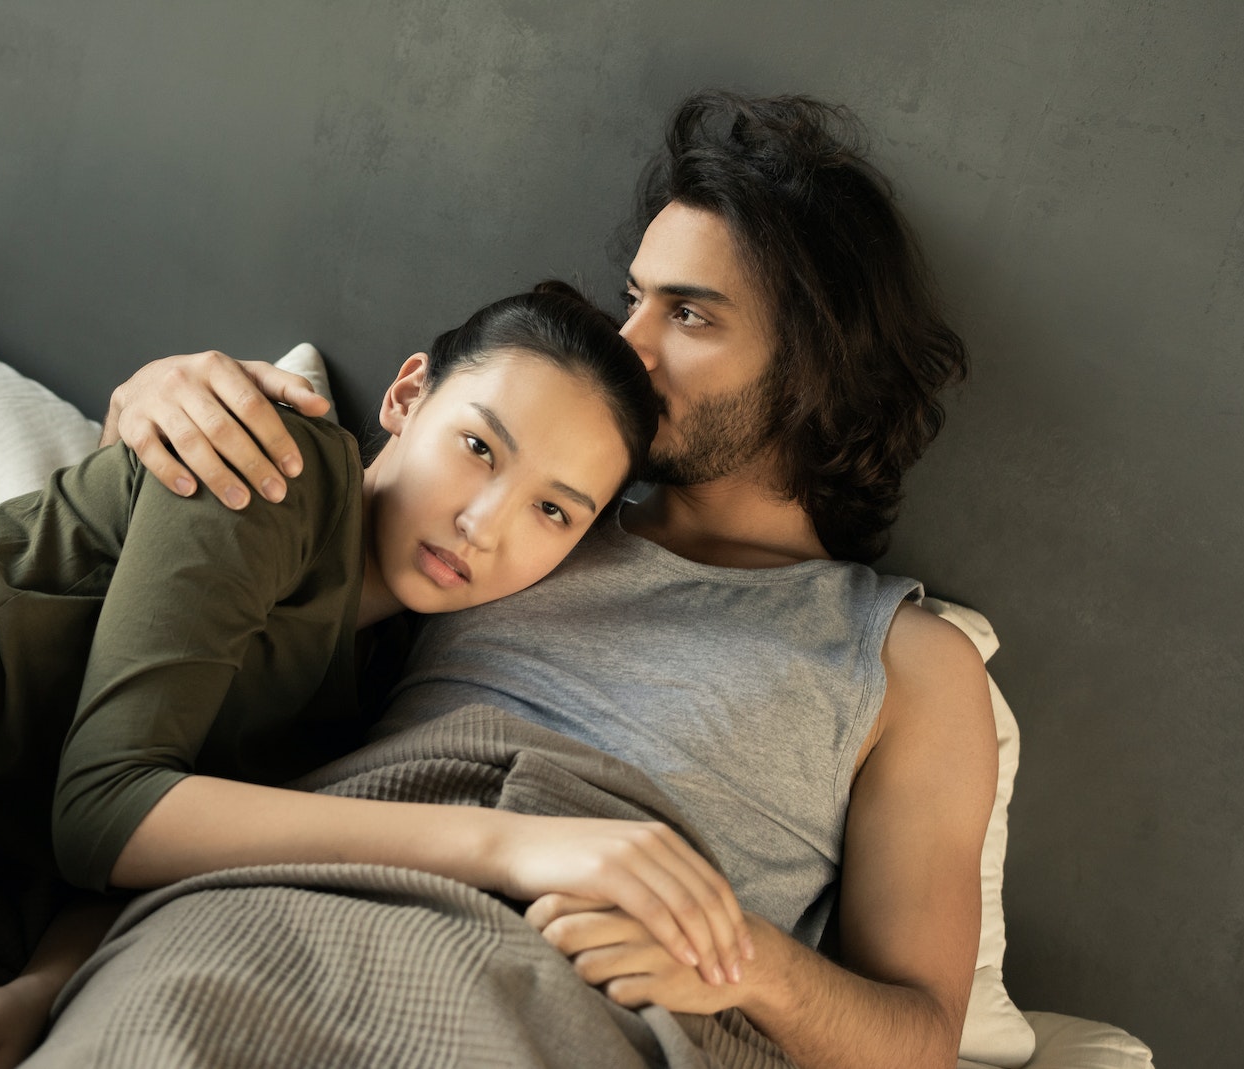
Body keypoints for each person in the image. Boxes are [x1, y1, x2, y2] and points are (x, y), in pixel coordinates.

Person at [98, 91, 998, 1069]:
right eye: (633, 300)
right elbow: (221, 609)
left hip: (581, 996)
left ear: (816, 364)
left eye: (688, 313)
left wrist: (750, 967)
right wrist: (161, 399)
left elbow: (919, 1045)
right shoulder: (512, 516)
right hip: (300, 900)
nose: (629, 345)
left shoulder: (908, 664)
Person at [0, 286, 754, 1069]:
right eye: (480, 447)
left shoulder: (368, 697)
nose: (486, 525)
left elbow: (148, 847)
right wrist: (509, 841)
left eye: (553, 511)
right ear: (409, 396)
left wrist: (46, 983)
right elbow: (108, 808)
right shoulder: (272, 458)